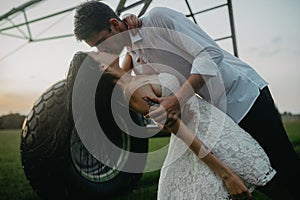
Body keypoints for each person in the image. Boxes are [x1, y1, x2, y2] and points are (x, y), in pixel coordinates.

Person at [73, 2, 300, 199]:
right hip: (216, 116)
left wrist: (177, 99)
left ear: (114, 24)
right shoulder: (132, 54)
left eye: (102, 43)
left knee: (282, 161)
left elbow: (210, 54)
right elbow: (125, 83)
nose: (103, 50)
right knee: (257, 171)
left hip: (242, 96)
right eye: (96, 49)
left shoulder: (158, 19)